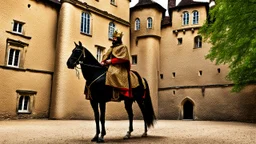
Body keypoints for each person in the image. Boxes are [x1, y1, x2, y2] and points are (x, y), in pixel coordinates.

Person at [101, 29, 139, 99]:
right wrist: (103, 62)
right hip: (110, 66)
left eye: (115, 38)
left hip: (119, 67)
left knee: (113, 73)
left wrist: (111, 61)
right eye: (113, 38)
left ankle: (119, 92)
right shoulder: (111, 48)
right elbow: (106, 56)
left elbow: (123, 58)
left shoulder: (123, 47)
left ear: (118, 39)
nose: (113, 39)